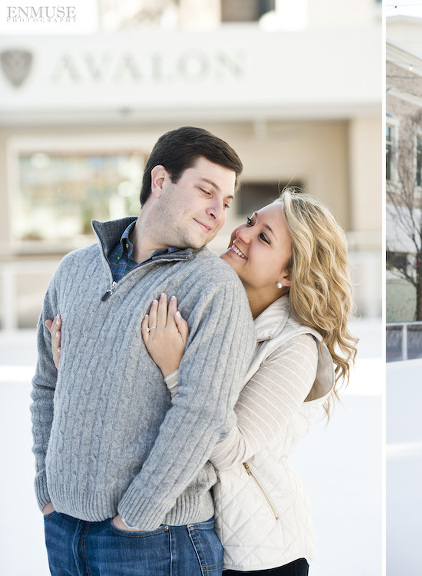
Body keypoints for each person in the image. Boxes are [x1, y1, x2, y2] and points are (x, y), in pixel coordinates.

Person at [32, 126, 257, 575]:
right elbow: (46, 383)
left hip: (158, 542)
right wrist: (46, 487)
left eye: (226, 202)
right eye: (206, 191)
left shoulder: (212, 287)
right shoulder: (75, 270)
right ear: (160, 182)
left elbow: (202, 412)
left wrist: (138, 513)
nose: (217, 213)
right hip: (64, 533)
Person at [137, 189, 357, 575]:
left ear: (288, 274)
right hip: (192, 532)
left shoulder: (295, 347)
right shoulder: (213, 307)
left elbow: (230, 449)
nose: (243, 233)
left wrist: (176, 370)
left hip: (261, 552)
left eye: (264, 238)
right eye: (252, 221)